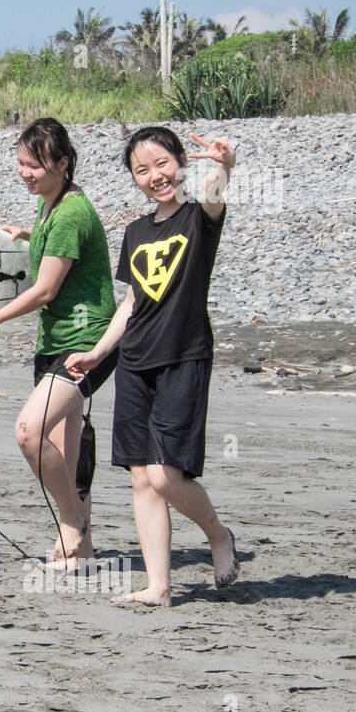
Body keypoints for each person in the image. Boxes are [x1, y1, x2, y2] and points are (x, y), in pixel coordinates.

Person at [65, 127, 239, 606]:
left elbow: (213, 198)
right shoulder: (136, 233)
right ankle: (158, 587)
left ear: (181, 161)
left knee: (165, 475)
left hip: (183, 356)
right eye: (142, 170)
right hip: (135, 361)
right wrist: (99, 352)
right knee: (141, 476)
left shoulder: (198, 219)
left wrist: (224, 166)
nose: (154, 176)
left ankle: (218, 535)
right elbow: (132, 302)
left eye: (161, 164)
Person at [0, 118, 117, 569]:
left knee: (28, 433)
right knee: (64, 454)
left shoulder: (69, 212)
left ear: (63, 163)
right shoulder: (51, 205)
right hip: (55, 342)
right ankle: (80, 552)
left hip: (86, 343)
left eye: (36, 165)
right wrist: (29, 235)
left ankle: (73, 525)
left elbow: (45, 290)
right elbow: (60, 252)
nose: (25, 173)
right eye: (21, 163)